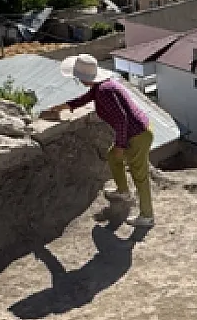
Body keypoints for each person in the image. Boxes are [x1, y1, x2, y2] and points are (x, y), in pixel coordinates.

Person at [51, 54, 155, 228]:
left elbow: (122, 119)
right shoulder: (102, 86)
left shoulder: (104, 91)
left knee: (139, 175)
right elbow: (85, 98)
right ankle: (123, 192)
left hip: (138, 134)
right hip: (136, 131)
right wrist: (63, 107)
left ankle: (147, 216)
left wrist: (121, 146)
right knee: (112, 157)